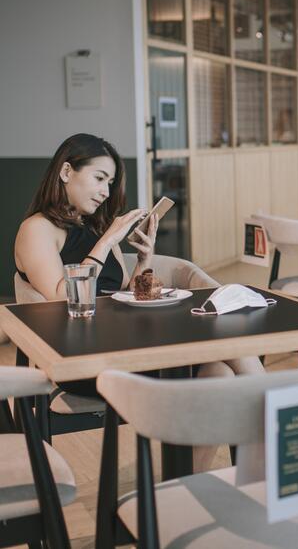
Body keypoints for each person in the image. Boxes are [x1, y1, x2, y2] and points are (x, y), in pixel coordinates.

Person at [14, 133, 263, 399]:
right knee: (229, 344)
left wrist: (144, 260)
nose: (106, 192)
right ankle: (282, 417)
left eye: (110, 183)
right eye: (99, 178)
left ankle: (270, 419)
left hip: (124, 339)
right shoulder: (37, 229)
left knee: (219, 370)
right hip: (83, 357)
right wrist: (107, 241)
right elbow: (60, 297)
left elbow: (123, 294)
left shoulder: (96, 226)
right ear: (66, 172)